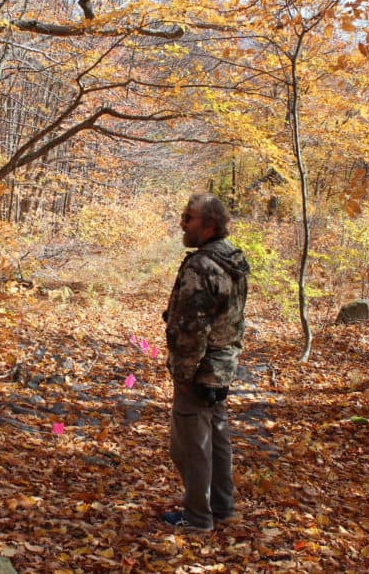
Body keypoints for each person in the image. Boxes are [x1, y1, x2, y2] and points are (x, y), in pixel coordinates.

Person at [161, 193, 249, 531]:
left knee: (189, 446)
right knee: (216, 437)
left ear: (210, 225)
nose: (183, 222)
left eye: (189, 217)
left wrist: (183, 373)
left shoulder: (204, 265)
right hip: (222, 365)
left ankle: (198, 518)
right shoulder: (232, 259)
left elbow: (193, 328)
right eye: (183, 215)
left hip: (201, 371)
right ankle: (222, 509)